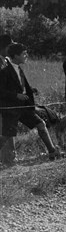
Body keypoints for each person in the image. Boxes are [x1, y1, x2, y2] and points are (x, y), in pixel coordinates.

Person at [0, 43, 61, 164]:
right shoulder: (4, 72)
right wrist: (16, 95)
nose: (26, 55)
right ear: (16, 56)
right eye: (23, 53)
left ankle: (52, 151)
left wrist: (30, 90)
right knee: (6, 136)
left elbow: (20, 86)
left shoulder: (19, 69)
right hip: (11, 110)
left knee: (41, 124)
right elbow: (1, 91)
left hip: (24, 108)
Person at [0, 34, 14, 163]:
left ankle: (10, 157)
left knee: (9, 127)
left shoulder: (8, 60)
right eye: (10, 46)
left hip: (8, 101)